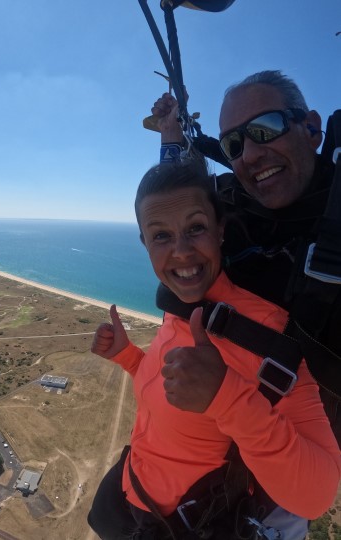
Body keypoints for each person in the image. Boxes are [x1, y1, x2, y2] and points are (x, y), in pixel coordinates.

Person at [87, 160, 340, 540]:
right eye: (161, 236)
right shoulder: (178, 307)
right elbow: (169, 390)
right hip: (129, 492)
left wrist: (228, 399)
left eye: (195, 228)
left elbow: (317, 497)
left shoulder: (268, 337)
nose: (182, 251)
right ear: (144, 242)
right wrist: (128, 357)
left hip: (178, 525)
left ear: (220, 229)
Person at [151, 70, 341, 439]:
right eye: (233, 144)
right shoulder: (229, 202)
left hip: (297, 442)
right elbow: (174, 207)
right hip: (209, 430)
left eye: (266, 127)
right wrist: (171, 133)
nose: (251, 155)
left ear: (312, 127)